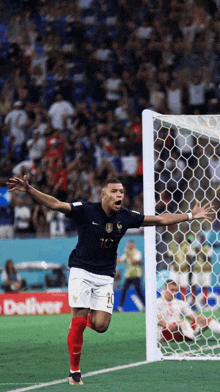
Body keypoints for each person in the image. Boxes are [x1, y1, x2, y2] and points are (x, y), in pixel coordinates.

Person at [7, 176, 214, 385]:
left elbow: (160, 219)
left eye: (122, 193)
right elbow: (56, 204)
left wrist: (190, 215)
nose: (119, 196)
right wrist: (30, 189)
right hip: (81, 270)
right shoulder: (86, 210)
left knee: (101, 326)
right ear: (103, 194)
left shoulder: (125, 216)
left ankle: (83, 316)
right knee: (78, 320)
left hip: (105, 276)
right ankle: (74, 372)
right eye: (115, 192)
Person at [117, 240, 145, 312]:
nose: (129, 246)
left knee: (138, 291)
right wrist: (116, 254)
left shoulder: (137, 252)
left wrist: (128, 253)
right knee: (124, 291)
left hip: (136, 275)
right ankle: (120, 307)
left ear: (133, 245)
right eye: (128, 245)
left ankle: (145, 305)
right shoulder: (126, 254)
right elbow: (120, 262)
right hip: (128, 275)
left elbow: (134, 260)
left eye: (130, 245)